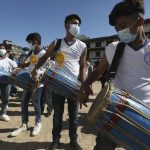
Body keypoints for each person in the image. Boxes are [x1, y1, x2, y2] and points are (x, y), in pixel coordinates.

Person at [79, 0, 149, 150]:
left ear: (140, 21)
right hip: (113, 112)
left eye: (123, 26)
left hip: (144, 116)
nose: (119, 31)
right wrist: (85, 85)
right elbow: (98, 71)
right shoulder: (113, 48)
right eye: (117, 28)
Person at [32, 14, 87, 150]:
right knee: (57, 115)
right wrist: (36, 68)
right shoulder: (57, 43)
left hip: (74, 86)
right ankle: (55, 140)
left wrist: (83, 86)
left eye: (78, 24)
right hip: (57, 84)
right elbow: (45, 57)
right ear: (66, 25)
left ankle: (73, 141)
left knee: (74, 116)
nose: (76, 26)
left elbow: (83, 65)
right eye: (73, 23)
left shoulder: (83, 45)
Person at [10, 32, 49, 137]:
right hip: (28, 80)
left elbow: (47, 69)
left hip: (38, 83)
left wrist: (39, 77)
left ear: (35, 42)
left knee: (36, 103)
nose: (29, 44)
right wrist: (20, 67)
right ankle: (24, 124)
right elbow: (28, 63)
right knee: (24, 102)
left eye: (29, 42)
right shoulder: (31, 52)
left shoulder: (44, 54)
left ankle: (38, 123)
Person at [0, 44, 17, 121]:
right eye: (0, 48)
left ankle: (3, 113)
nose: (1, 50)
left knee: (5, 98)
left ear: (6, 50)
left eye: (3, 48)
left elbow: (16, 69)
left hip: (6, 82)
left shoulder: (10, 61)